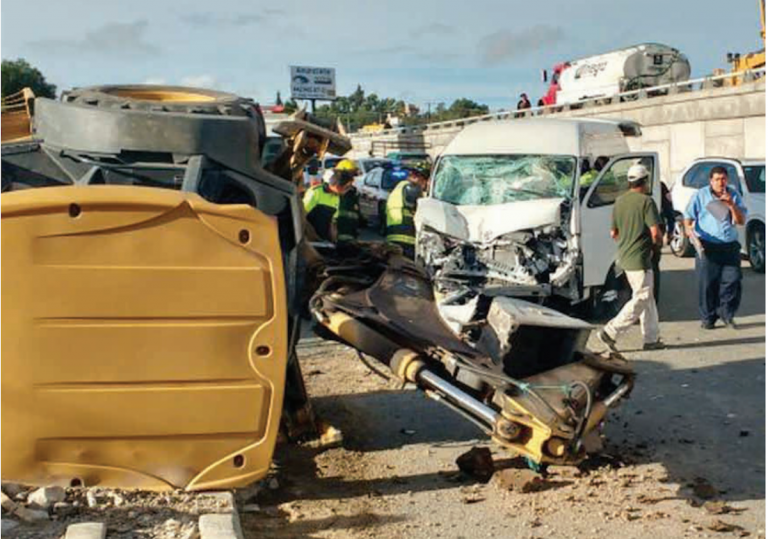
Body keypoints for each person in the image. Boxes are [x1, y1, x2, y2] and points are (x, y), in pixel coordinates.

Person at [597, 164, 665, 352]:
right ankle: (611, 331)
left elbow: (613, 232)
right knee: (642, 297)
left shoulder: (619, 201)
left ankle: (651, 338)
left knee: (646, 297)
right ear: (645, 181)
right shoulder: (646, 202)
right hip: (640, 259)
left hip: (625, 257)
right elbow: (655, 233)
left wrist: (627, 241)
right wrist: (658, 244)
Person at [684, 166, 747, 329]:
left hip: (729, 246)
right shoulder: (701, 195)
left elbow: (740, 221)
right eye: (717, 179)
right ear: (711, 181)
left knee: (732, 280)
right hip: (707, 245)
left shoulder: (733, 194)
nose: (721, 182)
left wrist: (731, 205)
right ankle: (708, 317)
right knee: (707, 284)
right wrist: (689, 230)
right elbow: (688, 217)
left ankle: (726, 314)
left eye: (723, 179)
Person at [303, 159, 361, 243]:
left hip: (324, 240)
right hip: (309, 240)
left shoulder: (337, 196)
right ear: (338, 187)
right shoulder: (316, 192)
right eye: (346, 188)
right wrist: (312, 236)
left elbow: (332, 222)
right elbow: (301, 217)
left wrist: (334, 241)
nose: (347, 190)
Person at [385, 165, 429, 259]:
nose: (425, 185)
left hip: (393, 232)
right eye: (424, 181)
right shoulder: (412, 188)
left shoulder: (399, 187)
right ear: (418, 178)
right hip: (406, 236)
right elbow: (420, 208)